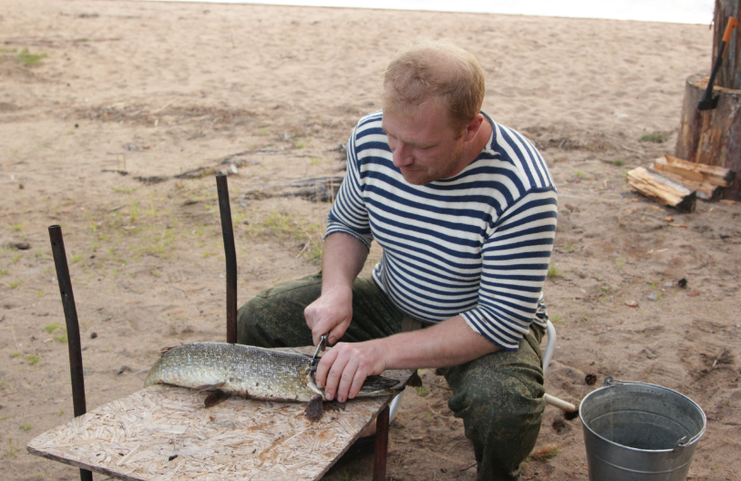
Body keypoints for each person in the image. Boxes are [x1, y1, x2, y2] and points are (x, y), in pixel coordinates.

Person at [238, 38, 558, 480]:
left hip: (476, 324)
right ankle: (352, 437)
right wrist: (336, 291)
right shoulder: (371, 137)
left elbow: (500, 320)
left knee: (505, 405)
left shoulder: (523, 188)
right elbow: (348, 225)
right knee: (259, 319)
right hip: (393, 297)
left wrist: (378, 353)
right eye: (392, 134)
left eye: (420, 147)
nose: (398, 157)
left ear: (469, 128)